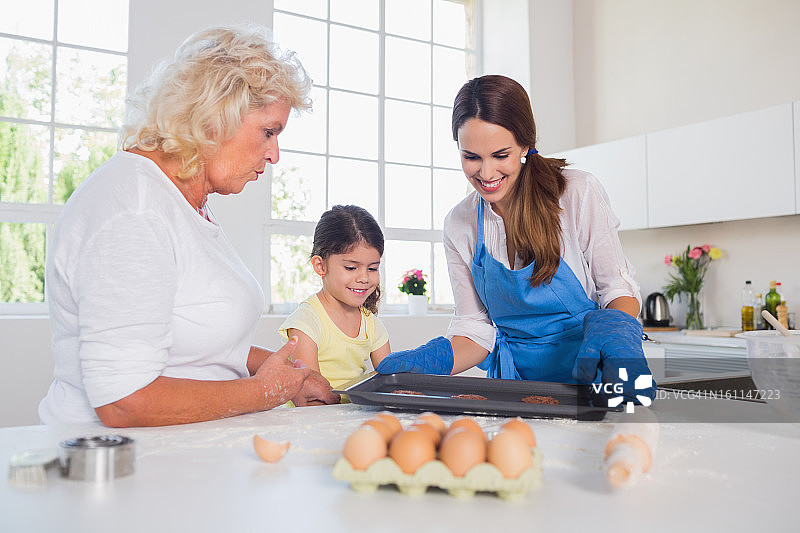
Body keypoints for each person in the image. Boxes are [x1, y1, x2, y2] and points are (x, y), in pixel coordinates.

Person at [39, 25, 339, 427]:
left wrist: (285, 373)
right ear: (216, 117)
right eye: (268, 132)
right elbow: (123, 401)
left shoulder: (183, 204)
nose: (274, 154)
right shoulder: (135, 210)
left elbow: (195, 345)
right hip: (115, 460)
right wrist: (264, 391)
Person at [376, 75, 655, 403]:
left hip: (590, 378)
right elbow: (475, 330)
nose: (486, 173)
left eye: (500, 155)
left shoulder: (576, 193)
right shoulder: (460, 223)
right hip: (512, 387)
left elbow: (617, 289)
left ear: (524, 144)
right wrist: (427, 364)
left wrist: (617, 330)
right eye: (471, 157)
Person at [279, 205, 391, 393]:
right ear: (320, 266)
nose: (364, 278)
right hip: (313, 411)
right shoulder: (306, 322)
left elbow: (390, 382)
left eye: (372, 268)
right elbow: (311, 394)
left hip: (352, 410)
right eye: (351, 268)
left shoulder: (371, 324)